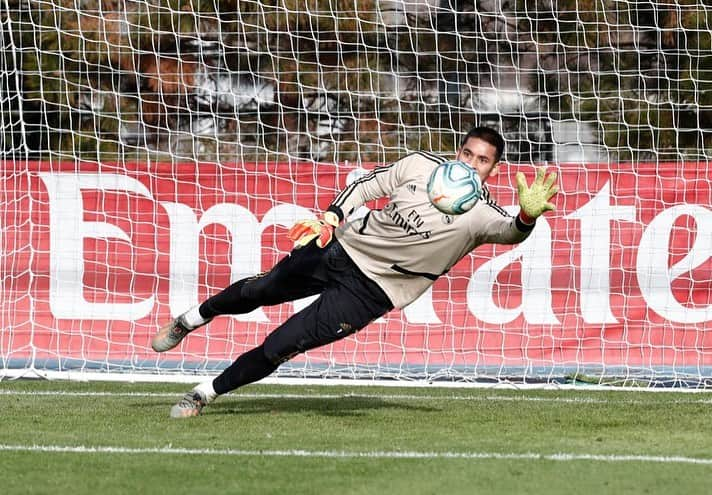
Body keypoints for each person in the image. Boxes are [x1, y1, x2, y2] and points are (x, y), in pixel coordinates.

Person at [152, 126, 558, 418]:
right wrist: (331, 217)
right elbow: (366, 187)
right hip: (342, 248)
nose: (471, 164)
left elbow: (511, 233)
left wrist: (526, 215)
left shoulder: (482, 215)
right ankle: (192, 318)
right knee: (260, 289)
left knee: (281, 344)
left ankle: (203, 394)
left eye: (483, 160)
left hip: (372, 292)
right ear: (458, 152)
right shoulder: (419, 166)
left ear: (494, 170)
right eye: (467, 154)